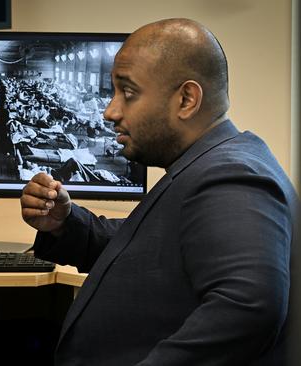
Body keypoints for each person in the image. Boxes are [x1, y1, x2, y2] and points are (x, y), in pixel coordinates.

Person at [20, 18, 298, 365]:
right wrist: (65, 222)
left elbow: (249, 307)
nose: (110, 111)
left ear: (186, 99)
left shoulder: (231, 175)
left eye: (129, 93)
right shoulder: (206, 165)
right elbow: (147, 245)